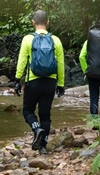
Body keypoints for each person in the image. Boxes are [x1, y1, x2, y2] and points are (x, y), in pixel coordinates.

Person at [14, 9, 65, 154]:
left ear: (33, 23)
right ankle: (43, 146)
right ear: (48, 22)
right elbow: (60, 64)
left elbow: (22, 61)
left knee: (28, 110)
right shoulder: (56, 40)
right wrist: (60, 84)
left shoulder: (28, 39)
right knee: (45, 114)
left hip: (33, 82)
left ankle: (37, 129)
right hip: (50, 82)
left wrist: (17, 80)